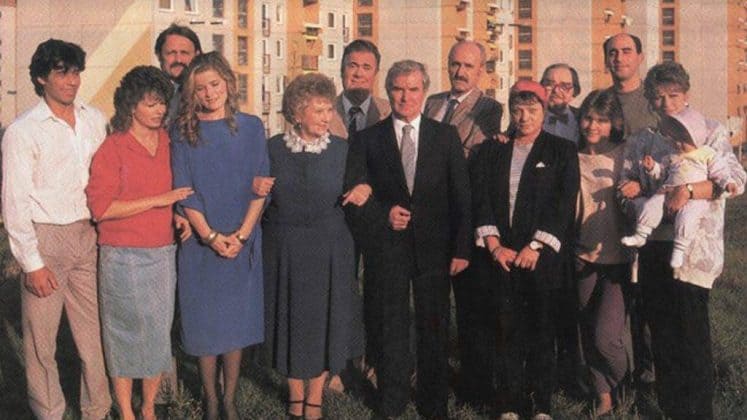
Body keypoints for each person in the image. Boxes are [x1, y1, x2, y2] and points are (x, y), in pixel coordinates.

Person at [344, 60, 472, 419]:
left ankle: (433, 402)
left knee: (434, 324)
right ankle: (391, 400)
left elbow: (461, 196)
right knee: (390, 325)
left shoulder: (445, 136)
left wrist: (462, 248)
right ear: (388, 91)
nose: (405, 96)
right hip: (388, 247)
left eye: (413, 89)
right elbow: (354, 194)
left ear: (424, 92)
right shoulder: (367, 139)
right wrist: (383, 214)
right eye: (398, 89)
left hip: (435, 249)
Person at [618, 61, 745, 420]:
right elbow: (626, 192)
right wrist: (638, 193)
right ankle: (673, 410)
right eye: (658, 98)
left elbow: (733, 180)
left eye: (673, 96)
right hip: (654, 248)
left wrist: (687, 191)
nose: (667, 104)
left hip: (693, 251)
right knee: (663, 337)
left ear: (686, 94)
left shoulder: (709, 130)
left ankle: (699, 412)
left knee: (691, 337)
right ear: (649, 99)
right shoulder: (643, 139)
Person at [1, 39, 112, 420]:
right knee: (41, 342)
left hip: (89, 235)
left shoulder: (95, 119)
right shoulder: (23, 131)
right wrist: (31, 263)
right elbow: (14, 201)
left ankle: (97, 409)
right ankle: (49, 412)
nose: (72, 81)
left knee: (94, 335)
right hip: (46, 238)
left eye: (76, 72)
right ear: (41, 78)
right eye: (62, 73)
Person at [85, 66, 192, 420]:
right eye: (150, 103)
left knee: (158, 334)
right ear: (131, 106)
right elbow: (102, 209)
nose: (159, 110)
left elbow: (175, 192)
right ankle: (125, 411)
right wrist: (160, 201)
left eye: (162, 103)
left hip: (162, 252)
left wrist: (176, 213)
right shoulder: (113, 148)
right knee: (123, 335)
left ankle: (147, 407)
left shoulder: (168, 143)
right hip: (122, 257)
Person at [262, 73, 368, 420]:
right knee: (290, 319)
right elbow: (258, 195)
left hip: (330, 248)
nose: (327, 117)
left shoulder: (342, 149)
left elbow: (363, 184)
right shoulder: (273, 148)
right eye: (319, 110)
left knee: (325, 321)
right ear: (297, 113)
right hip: (284, 247)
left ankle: (316, 397)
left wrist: (364, 188)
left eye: (329, 110)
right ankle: (295, 395)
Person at [471, 80, 579, 420]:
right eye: (518, 110)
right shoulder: (493, 150)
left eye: (532, 110)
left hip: (541, 258)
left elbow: (563, 203)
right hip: (502, 256)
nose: (524, 117)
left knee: (542, 329)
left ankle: (540, 404)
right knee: (505, 329)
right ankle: (508, 403)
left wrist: (536, 246)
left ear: (544, 112)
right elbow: (481, 198)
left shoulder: (561, 151)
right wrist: (494, 245)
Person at [171, 52, 269, 420]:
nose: (210, 93)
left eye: (215, 84)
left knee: (234, 322)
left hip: (242, 239)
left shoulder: (251, 127)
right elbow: (185, 192)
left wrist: (240, 237)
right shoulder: (182, 133)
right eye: (200, 88)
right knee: (203, 323)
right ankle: (210, 399)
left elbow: (262, 185)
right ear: (191, 94)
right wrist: (211, 237)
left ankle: (230, 398)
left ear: (228, 83)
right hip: (201, 243)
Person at [422, 39, 502, 408]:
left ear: (481, 71)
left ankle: (476, 389)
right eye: (455, 64)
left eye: (469, 66)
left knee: (472, 311)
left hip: (466, 220)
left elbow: (469, 158)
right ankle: (433, 382)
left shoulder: (490, 109)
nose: (460, 71)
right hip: (430, 222)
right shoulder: (432, 102)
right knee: (432, 309)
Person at [574, 89, 633, 416]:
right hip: (580, 256)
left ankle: (625, 382)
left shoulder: (624, 155)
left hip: (618, 259)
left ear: (614, 123)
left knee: (606, 338)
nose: (592, 125)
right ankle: (604, 396)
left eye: (601, 120)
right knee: (587, 332)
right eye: (587, 117)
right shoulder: (571, 156)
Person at [604, 32, 657, 391]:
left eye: (626, 51)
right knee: (616, 298)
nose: (619, 58)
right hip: (609, 214)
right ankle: (619, 376)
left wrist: (643, 183)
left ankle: (650, 376)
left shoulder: (653, 101)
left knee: (647, 299)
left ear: (639, 56)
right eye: (613, 52)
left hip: (650, 213)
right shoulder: (601, 101)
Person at [621, 109, 737, 268]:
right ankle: (641, 234)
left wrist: (727, 182)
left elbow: (720, 172)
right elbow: (663, 172)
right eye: (677, 139)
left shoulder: (706, 154)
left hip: (694, 199)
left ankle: (679, 248)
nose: (679, 144)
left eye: (684, 140)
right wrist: (653, 168)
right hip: (667, 191)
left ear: (696, 138)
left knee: (687, 218)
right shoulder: (673, 155)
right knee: (650, 206)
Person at [329, 39, 390, 140]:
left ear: (376, 74)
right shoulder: (323, 111)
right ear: (342, 71)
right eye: (352, 66)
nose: (358, 74)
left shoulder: (390, 113)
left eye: (366, 68)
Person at [154, 23, 203, 125]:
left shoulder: (210, 94)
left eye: (184, 53)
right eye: (171, 53)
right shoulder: (147, 94)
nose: (178, 60)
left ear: (197, 55)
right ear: (159, 56)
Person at [540, 63, 581, 143]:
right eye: (550, 84)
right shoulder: (530, 119)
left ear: (574, 91)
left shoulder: (583, 118)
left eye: (564, 86)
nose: (556, 90)